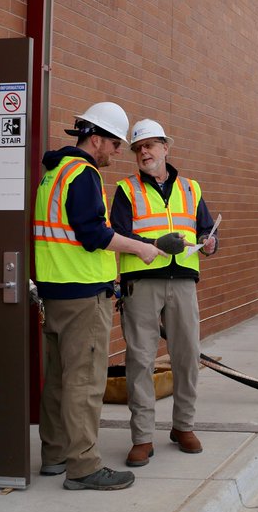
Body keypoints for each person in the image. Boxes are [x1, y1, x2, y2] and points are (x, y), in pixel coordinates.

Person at [33, 102, 163, 491]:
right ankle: (84, 466)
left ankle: (55, 455)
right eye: (114, 143)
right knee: (85, 383)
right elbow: (94, 235)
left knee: (57, 380)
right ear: (95, 139)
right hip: (83, 295)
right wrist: (140, 248)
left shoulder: (53, 172)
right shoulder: (84, 174)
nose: (119, 151)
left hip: (54, 292)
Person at [110, 119, 218, 468]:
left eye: (151, 146)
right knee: (140, 359)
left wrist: (211, 243)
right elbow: (119, 234)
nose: (144, 152)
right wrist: (155, 244)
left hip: (184, 280)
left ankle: (183, 426)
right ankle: (142, 437)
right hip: (141, 282)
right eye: (139, 148)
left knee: (187, 355)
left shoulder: (191, 188)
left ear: (165, 148)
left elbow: (204, 230)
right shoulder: (126, 190)